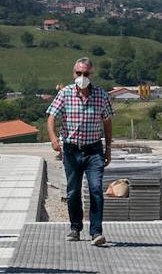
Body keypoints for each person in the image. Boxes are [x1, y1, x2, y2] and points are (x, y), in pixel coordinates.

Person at [47, 56, 114, 246]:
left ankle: (96, 232)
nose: (82, 77)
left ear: (91, 74)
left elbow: (107, 122)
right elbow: (52, 117)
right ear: (73, 73)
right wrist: (53, 139)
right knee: (73, 190)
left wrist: (108, 148)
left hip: (94, 150)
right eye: (79, 73)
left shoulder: (101, 95)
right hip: (71, 149)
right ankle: (75, 227)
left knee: (95, 189)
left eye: (86, 73)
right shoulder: (65, 94)